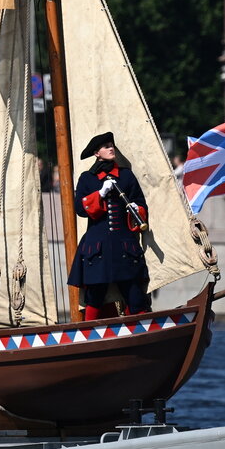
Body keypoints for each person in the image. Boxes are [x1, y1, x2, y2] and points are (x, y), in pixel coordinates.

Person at [68, 132, 151, 321]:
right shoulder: (87, 178)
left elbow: (141, 205)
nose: (111, 148)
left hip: (125, 246)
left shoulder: (126, 176)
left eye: (111, 145)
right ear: (97, 153)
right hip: (97, 248)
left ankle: (138, 331)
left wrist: (135, 208)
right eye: (106, 146)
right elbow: (80, 208)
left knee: (135, 295)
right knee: (95, 297)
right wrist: (100, 194)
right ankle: (89, 334)